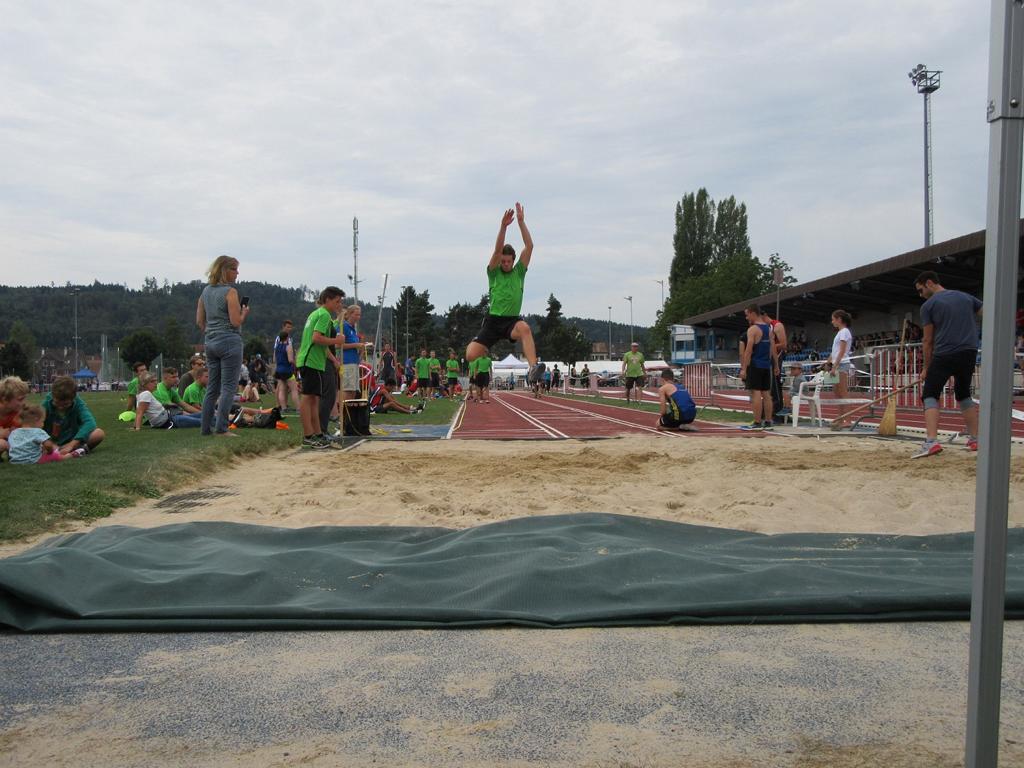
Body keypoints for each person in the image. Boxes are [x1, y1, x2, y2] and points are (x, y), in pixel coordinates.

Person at [466, 204, 542, 384]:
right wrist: (503, 227)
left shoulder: (519, 272)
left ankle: (533, 368)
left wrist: (521, 222)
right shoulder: (493, 273)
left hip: (511, 321)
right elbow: (497, 250)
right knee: (470, 355)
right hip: (493, 322)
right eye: (503, 261)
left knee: (525, 328)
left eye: (509, 261)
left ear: (513, 261)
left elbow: (529, 246)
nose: (506, 264)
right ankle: (485, 346)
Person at [912, 271, 982, 458]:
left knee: (930, 394)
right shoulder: (966, 297)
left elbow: (928, 340)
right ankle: (976, 439)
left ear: (929, 283)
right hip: (969, 352)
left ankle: (931, 441)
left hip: (945, 353)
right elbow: (987, 314)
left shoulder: (929, 306)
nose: (921, 295)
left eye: (921, 290)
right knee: (963, 393)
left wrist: (926, 368)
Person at [196, 255, 249, 437]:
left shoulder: (205, 292)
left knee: (212, 388)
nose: (237, 273)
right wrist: (244, 313)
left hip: (210, 342)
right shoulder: (230, 292)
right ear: (225, 270)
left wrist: (211, 331)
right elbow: (235, 322)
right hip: (229, 341)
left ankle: (205, 429)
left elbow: (199, 321)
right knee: (228, 387)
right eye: (234, 269)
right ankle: (222, 429)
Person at [295, 286, 348, 449]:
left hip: (311, 360)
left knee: (314, 399)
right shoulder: (324, 314)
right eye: (337, 301)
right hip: (311, 361)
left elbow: (320, 344)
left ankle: (317, 434)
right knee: (308, 398)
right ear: (327, 300)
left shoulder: (316, 314)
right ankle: (308, 436)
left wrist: (333, 358)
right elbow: (316, 338)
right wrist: (337, 341)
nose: (339, 305)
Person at [42, 375, 105, 455]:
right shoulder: (46, 404)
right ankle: (77, 451)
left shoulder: (78, 403)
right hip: (51, 443)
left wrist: (72, 444)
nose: (60, 407)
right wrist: (49, 443)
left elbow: (90, 422)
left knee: (99, 433)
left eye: (65, 404)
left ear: (73, 398)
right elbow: (36, 426)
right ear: (53, 396)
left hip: (73, 441)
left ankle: (78, 450)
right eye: (57, 403)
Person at [739, 304, 775, 430]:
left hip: (755, 365)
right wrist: (773, 364)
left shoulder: (753, 329)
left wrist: (744, 368)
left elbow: (748, 351)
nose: (746, 318)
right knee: (767, 394)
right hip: (766, 365)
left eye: (747, 315)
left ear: (752, 313)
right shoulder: (769, 329)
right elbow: (771, 349)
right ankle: (768, 421)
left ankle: (757, 422)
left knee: (756, 393)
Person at [9, 404, 83, 464]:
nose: (43, 424)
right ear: (36, 420)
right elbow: (48, 445)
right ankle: (71, 455)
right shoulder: (38, 431)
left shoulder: (14, 432)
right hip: (33, 460)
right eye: (42, 421)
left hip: (15, 460)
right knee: (55, 456)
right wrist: (49, 451)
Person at [134, 373, 203, 429]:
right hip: (169, 421)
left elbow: (138, 412)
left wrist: (135, 426)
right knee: (203, 422)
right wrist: (137, 428)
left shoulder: (141, 395)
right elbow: (140, 412)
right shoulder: (146, 394)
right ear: (144, 384)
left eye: (156, 380)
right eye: (152, 381)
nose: (156, 383)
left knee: (201, 416)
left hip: (170, 417)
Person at [826, 310, 854, 424]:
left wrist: (834, 367)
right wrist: (828, 362)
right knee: (837, 393)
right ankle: (840, 418)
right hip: (837, 364)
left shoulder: (844, 332)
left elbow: (842, 351)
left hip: (841, 364)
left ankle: (848, 420)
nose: (832, 322)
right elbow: (835, 351)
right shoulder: (840, 333)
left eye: (833, 319)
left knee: (843, 392)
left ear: (839, 319)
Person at [762, 309, 787, 420]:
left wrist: (768, 346)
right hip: (766, 359)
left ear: (764, 316)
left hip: (775, 358)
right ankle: (768, 410)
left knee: (774, 385)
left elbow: (783, 344)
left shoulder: (777, 326)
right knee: (767, 385)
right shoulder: (763, 328)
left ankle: (776, 410)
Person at [273, 322, 301, 414]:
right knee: (294, 390)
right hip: (287, 370)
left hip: (279, 370)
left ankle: (283, 408)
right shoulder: (288, 346)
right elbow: (290, 360)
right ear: (287, 338)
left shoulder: (277, 347)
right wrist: (296, 364)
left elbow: (274, 359)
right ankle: (298, 408)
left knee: (281, 389)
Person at [0, 375, 30, 458]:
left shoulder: (18, 413)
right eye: (20, 399)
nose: (24, 403)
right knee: (2, 444)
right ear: (5, 400)